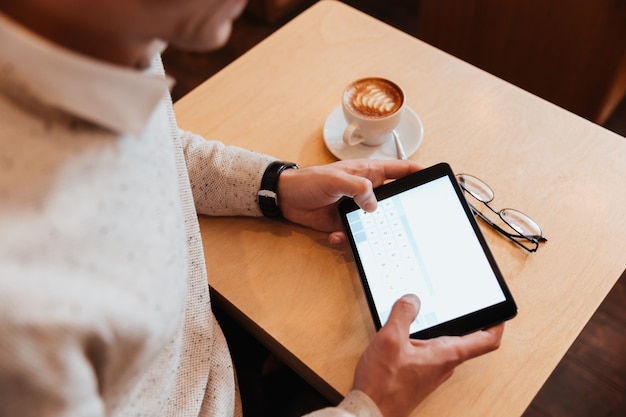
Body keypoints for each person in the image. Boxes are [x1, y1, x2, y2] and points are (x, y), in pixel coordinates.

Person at [0, 0, 504, 416]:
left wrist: (275, 188)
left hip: (211, 352)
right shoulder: (23, 313)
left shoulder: (104, 39)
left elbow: (156, 145)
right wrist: (370, 408)